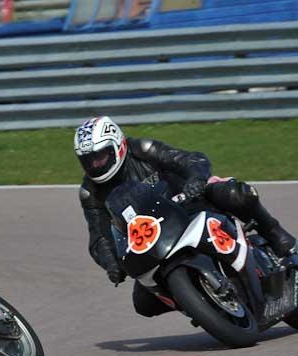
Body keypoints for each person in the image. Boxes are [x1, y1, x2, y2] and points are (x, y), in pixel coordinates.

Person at [74, 116, 297, 317]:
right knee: (143, 304)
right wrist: (111, 264)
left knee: (235, 193)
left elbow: (190, 159)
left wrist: (195, 181)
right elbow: (99, 237)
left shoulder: (143, 149)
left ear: (118, 146)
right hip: (151, 240)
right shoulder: (89, 192)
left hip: (189, 205)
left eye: (100, 156)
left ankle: (280, 239)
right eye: (88, 160)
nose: (95, 164)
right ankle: (201, 304)